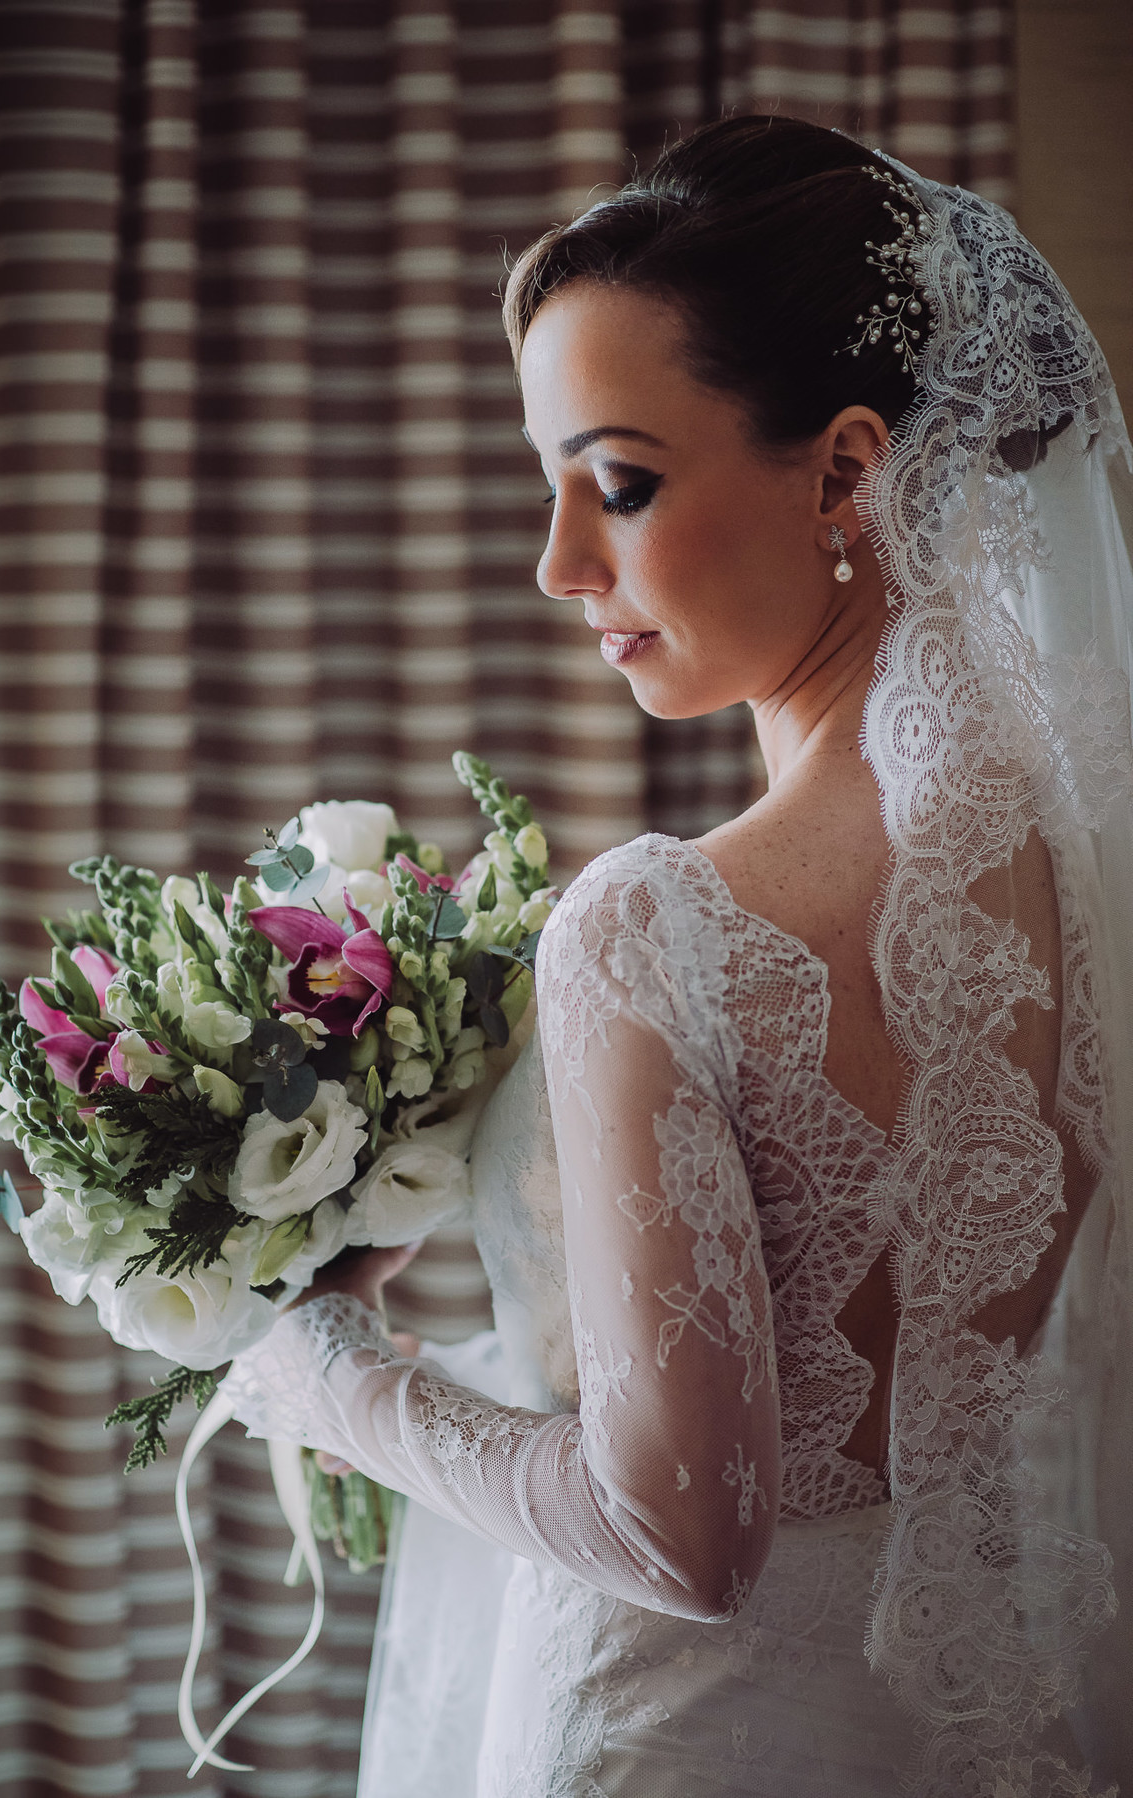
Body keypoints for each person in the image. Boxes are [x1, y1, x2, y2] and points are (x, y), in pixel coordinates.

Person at [222, 115, 1133, 1796]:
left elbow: (683, 1533)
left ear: (847, 467)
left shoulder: (658, 923)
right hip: (974, 1719)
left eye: (620, 483)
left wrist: (324, 1373)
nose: (560, 564)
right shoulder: (1089, 845)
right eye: (550, 484)